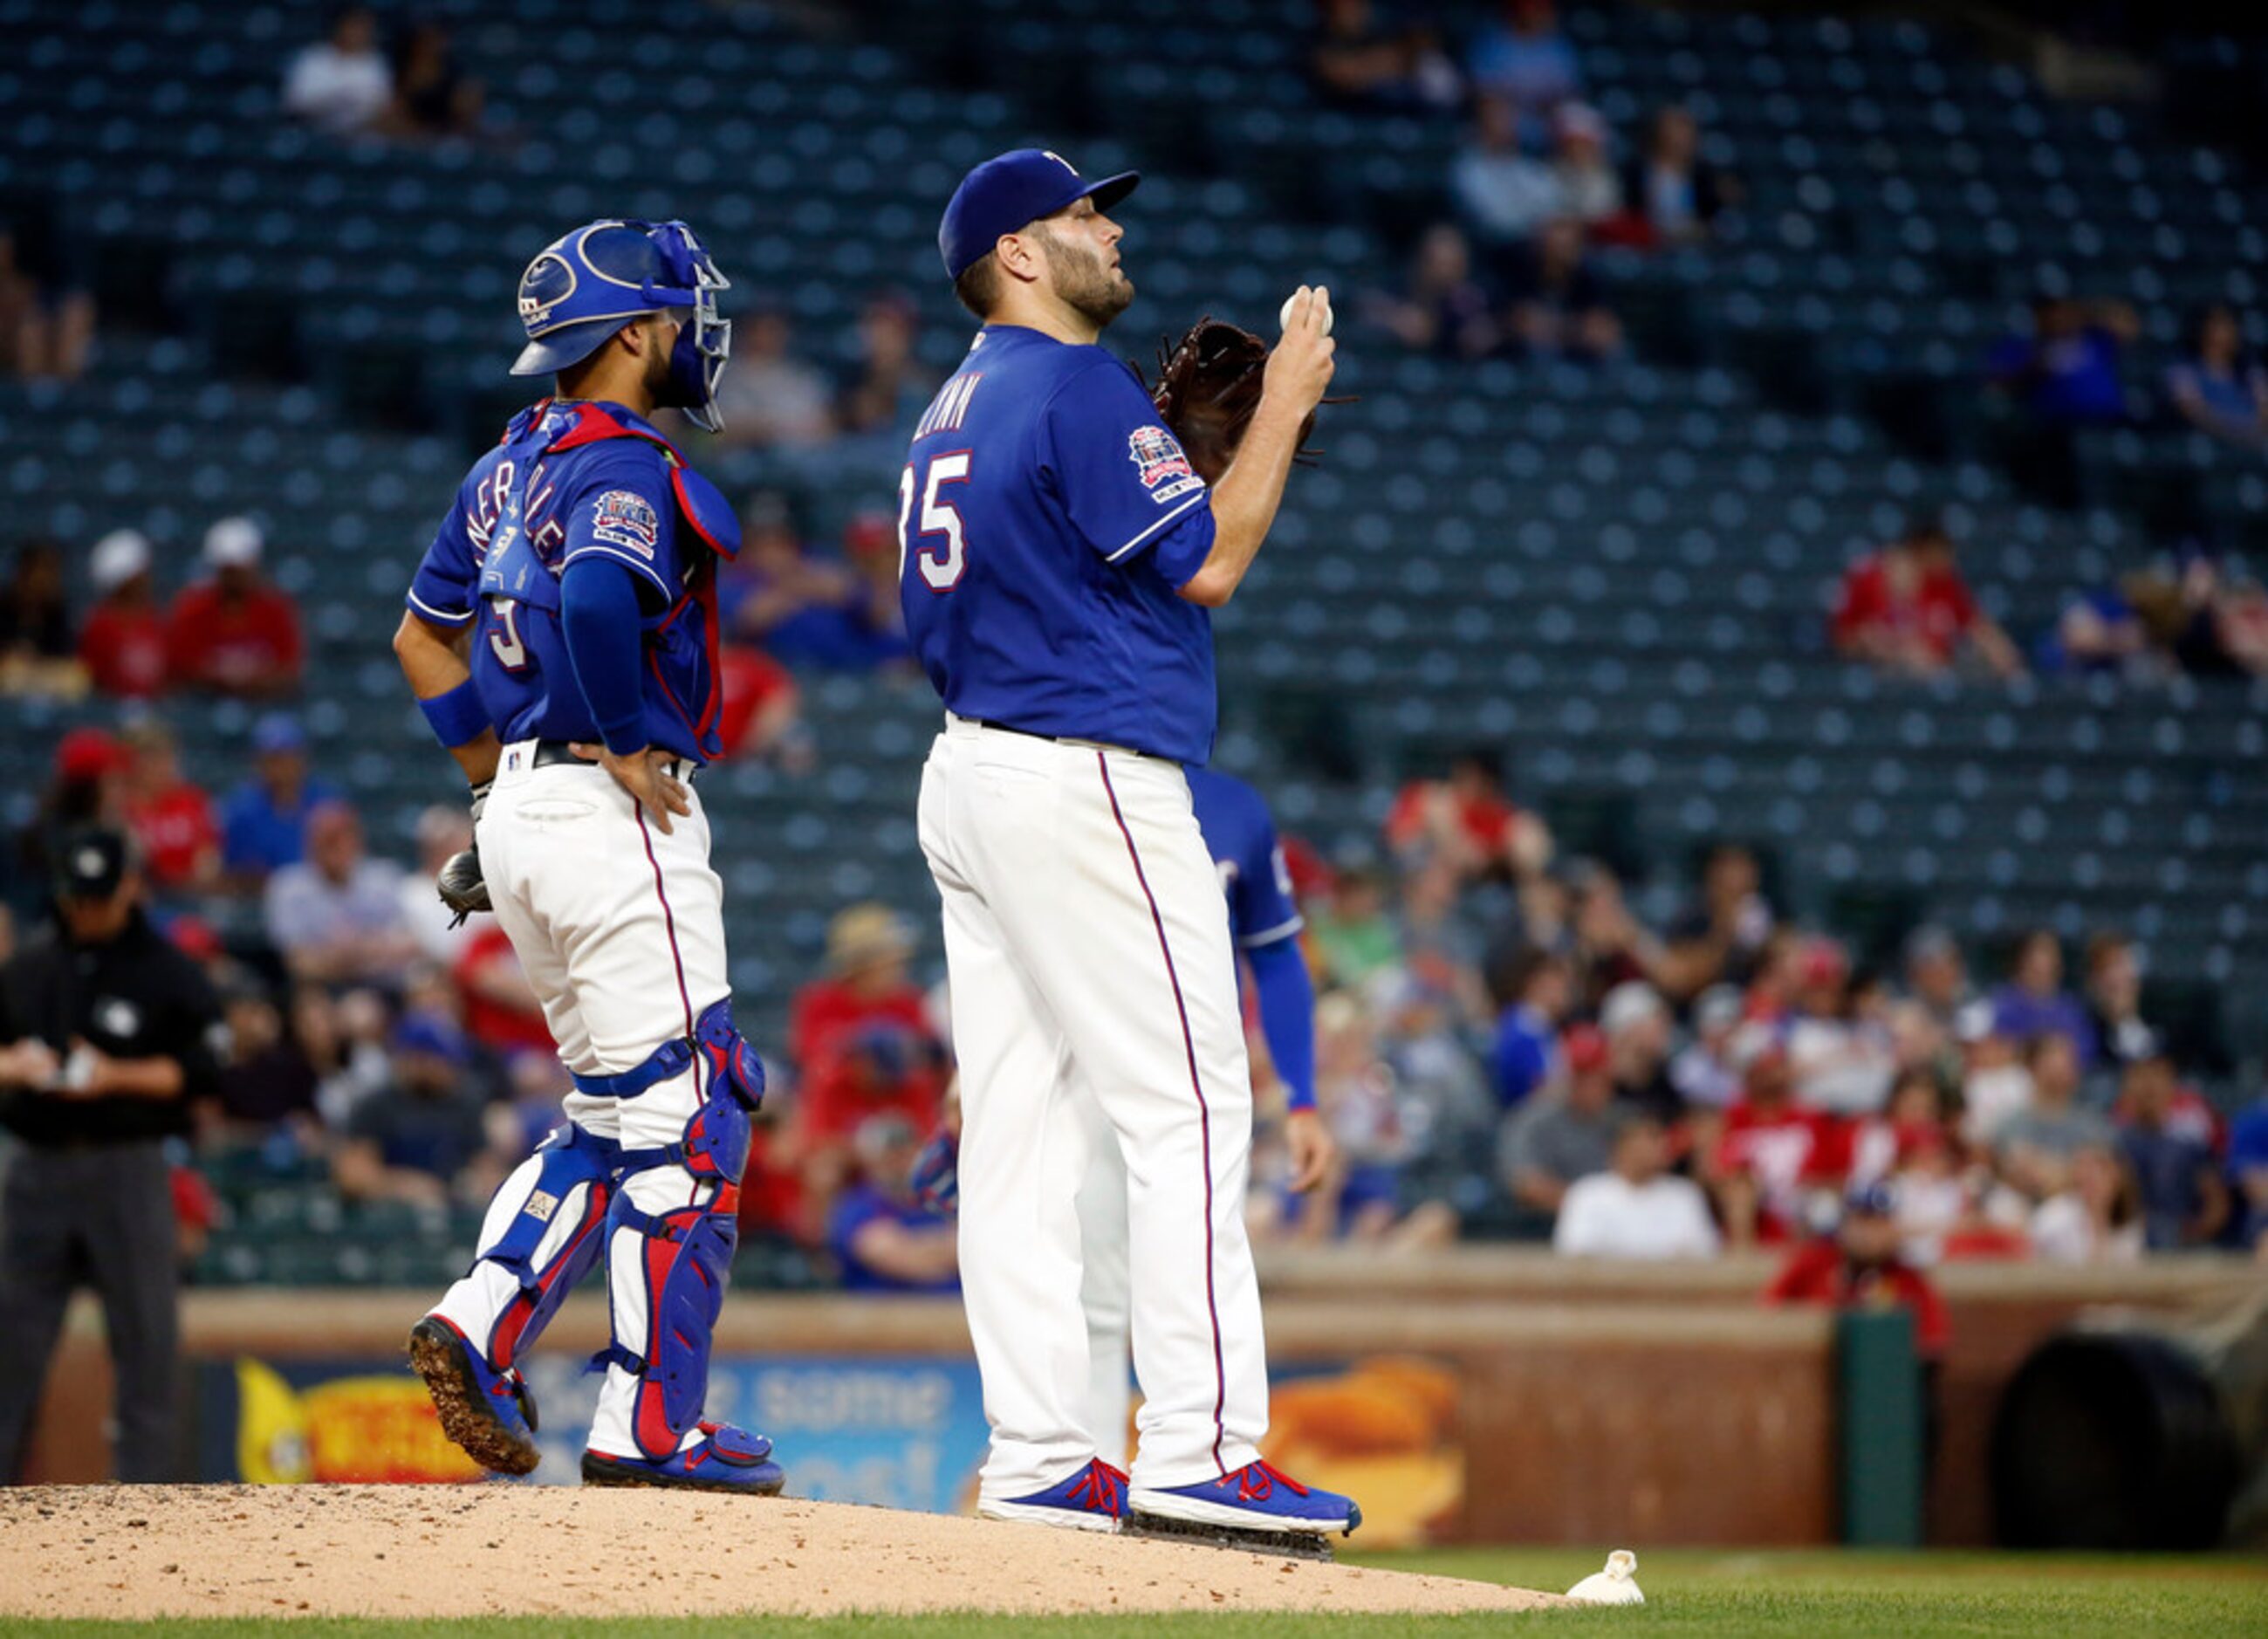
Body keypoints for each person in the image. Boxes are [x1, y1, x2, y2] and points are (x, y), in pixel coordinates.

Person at [903, 148, 1352, 1540]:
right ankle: (1199, 1447)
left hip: (974, 771)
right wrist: (1277, 401)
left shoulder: (953, 401)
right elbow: (1208, 562)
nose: (1106, 226)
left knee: (1025, 1134)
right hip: (1083, 772)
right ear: (1018, 256)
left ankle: (1041, 1450)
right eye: (1082, 212)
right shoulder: (1073, 385)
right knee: (1191, 1105)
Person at [392, 217, 783, 1495]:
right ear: (629, 335)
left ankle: (479, 1317)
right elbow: (607, 596)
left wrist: (491, 782)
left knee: (616, 1111)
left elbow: (422, 641)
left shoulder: (504, 463)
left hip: (516, 809)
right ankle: (647, 1425)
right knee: (695, 1111)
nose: (689, 333)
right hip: (609, 812)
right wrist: (618, 737)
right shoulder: (621, 459)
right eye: (673, 314)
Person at [0, 826, 223, 1481]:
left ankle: (145, 1515)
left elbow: (206, 1069)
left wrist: (115, 1076)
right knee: (10, 1346)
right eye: (78, 897)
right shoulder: (27, 969)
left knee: (147, 1344)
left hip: (127, 1164)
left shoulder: (168, 971)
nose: (88, 910)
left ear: (130, 886)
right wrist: (12, 1064)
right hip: (36, 1166)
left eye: (101, 896)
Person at [332, 1014, 506, 1206]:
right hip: (388, 1220)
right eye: (442, 1060)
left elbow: (489, 1171)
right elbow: (352, 1176)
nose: (451, 1068)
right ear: (416, 1059)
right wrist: (403, 1186)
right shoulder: (377, 1104)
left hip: (451, 1218)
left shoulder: (464, 1103)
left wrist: (475, 1186)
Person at [1830, 516, 2024, 678]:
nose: (1949, 561)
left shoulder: (1944, 583)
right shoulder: (1868, 577)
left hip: (1938, 678)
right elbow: (1844, 640)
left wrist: (2001, 652)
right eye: (1943, 553)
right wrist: (1888, 647)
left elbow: (1977, 625)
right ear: (1923, 549)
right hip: (1884, 680)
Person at [263, 800, 418, 991]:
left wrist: (353, 950)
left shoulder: (383, 877)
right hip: (318, 991)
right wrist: (362, 954)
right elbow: (298, 962)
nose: (336, 849)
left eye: (342, 838)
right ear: (311, 843)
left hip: (384, 987)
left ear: (357, 840)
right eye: (327, 841)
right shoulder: (289, 886)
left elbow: (409, 945)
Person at [165, 518, 305, 697]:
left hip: (264, 706)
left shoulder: (275, 609)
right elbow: (180, 669)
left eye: (241, 569)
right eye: (229, 570)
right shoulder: (193, 609)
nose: (236, 578)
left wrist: (245, 681)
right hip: (205, 704)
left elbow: (289, 671)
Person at [1552, 1110, 1720, 1258]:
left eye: (1660, 1137)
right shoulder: (1587, 1193)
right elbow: (1575, 1253)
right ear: (1621, 1146)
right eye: (1650, 1137)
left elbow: (1705, 1253)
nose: (1660, 1145)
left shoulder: (1685, 1194)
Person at [1497, 1023, 1620, 1222]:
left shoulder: (1616, 1121)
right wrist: (1589, 1207)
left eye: (1596, 1077)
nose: (1589, 1086)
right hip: (1540, 1227)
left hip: (1608, 1227)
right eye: (1580, 1076)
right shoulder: (1533, 1118)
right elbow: (1525, 1184)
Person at [828, 1114, 960, 1293]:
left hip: (957, 1312)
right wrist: (949, 1250)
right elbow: (900, 1259)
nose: (899, 1162)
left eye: (906, 1151)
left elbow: (978, 1250)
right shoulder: (856, 1206)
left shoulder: (940, 1198)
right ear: (869, 1161)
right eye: (889, 1155)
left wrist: (926, 1249)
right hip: (885, 1316)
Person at [2115, 1054, 2228, 1252]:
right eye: (2141, 1077)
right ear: (2128, 1087)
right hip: (2125, 1237)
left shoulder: (2190, 1144)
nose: (2150, 1086)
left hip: (2180, 1238)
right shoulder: (2114, 1142)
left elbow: (2216, 1203)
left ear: (2171, 1085)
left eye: (2158, 1077)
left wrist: (2192, 1233)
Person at [219, 712, 338, 888]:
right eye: (273, 759)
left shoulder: (326, 801)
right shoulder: (240, 809)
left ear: (301, 758)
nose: (281, 768)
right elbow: (237, 872)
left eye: (287, 757)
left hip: (320, 896)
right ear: (258, 762)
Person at [1994, 1033, 2114, 1201]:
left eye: (2069, 1062)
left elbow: (2101, 1176)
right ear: (2032, 1067)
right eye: (2053, 1061)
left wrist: (2053, 1171)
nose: (2062, 1068)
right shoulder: (2011, 1124)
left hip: (2077, 1212)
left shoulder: (2093, 1125)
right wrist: (2068, 1171)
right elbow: (2009, 1174)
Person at [1364, 222, 1501, 360]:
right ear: (1420, 261)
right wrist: (1392, 320)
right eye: (1439, 264)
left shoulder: (1475, 299)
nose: (1446, 273)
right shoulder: (1392, 288)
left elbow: (1494, 329)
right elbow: (1364, 306)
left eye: (1454, 265)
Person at [1464, 0, 1583, 150]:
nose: (1537, 15)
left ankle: (1571, 170)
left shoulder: (1559, 47)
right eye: (1532, 9)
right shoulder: (1493, 43)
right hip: (1506, 117)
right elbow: (1486, 93)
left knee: (1575, 116)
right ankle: (1496, 165)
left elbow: (1568, 93)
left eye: (1541, 10)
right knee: (1495, 113)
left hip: (1546, 118)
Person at [120, 720, 220, 896]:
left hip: (190, 896)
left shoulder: (192, 800)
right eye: (149, 758)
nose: (158, 767)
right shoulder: (123, 806)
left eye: (164, 757)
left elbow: (208, 861)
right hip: (142, 896)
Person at [711, 307, 836, 449]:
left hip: (795, 457)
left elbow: (825, 430)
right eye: (758, 331)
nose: (764, 338)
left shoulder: (804, 378)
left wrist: (765, 428)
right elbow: (717, 432)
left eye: (773, 331)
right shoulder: (722, 378)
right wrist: (768, 429)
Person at [1451, 94, 1563, 250]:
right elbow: (1495, 219)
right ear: (1480, 125)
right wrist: (1535, 221)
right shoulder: (1468, 169)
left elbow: (1553, 202)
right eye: (1496, 119)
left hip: (1537, 243)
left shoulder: (1527, 165)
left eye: (1507, 118)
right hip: (1497, 249)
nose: (1504, 126)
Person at [1308, 0, 1460, 113]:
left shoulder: (1386, 24)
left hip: (1412, 106)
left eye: (1357, 5)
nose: (1354, 11)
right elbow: (1341, 73)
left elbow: (1422, 46)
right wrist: (1392, 60)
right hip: (1355, 112)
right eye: (1345, 6)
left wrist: (1368, 65)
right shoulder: (1320, 39)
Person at [1502, 218, 1621, 361]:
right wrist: (1573, 328)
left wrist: (1559, 328)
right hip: (1524, 351)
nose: (1563, 251)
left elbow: (1602, 326)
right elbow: (1522, 322)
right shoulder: (1519, 268)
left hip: (1576, 350)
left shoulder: (1588, 275)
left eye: (1570, 245)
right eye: (1556, 245)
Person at [1621, 105, 1735, 249]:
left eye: (1685, 131)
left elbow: (1711, 214)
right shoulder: (1637, 170)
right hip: (1647, 241)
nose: (1680, 138)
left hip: (1693, 242)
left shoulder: (1703, 174)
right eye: (1674, 129)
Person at [77, 529, 169, 699]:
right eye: (139, 574)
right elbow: (94, 679)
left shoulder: (157, 620)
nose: (145, 579)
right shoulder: (100, 625)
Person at [2164, 303, 2267, 450]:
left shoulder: (2250, 371)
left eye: (2231, 325)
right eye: (2220, 325)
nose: (2230, 331)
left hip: (2252, 443)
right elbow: (2193, 412)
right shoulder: (2183, 369)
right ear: (2203, 329)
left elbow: (2265, 412)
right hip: (2212, 444)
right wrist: (2236, 433)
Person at [1990, 929, 2095, 1071]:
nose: (2043, 967)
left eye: (2049, 959)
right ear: (2021, 963)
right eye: (2035, 963)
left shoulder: (2071, 1009)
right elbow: (1998, 1049)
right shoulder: (2003, 1005)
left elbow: (2085, 1051)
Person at [281, 4, 393, 136]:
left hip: (361, 134)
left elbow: (382, 106)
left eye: (364, 28)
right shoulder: (313, 57)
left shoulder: (376, 62)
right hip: (313, 131)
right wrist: (336, 101)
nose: (358, 33)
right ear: (339, 27)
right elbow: (295, 103)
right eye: (353, 27)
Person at [2030, 1143, 2145, 1265]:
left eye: (2101, 1174)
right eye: (2086, 1176)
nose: (2093, 1182)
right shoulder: (2053, 1216)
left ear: (2117, 1179)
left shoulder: (2129, 1224)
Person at [1488, 944, 1569, 1108]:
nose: (1566, 990)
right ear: (1536, 983)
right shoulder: (1519, 1031)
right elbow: (1531, 1093)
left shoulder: (1544, 1028)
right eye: (1559, 981)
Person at [0, 538, 80, 697]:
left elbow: (68, 664)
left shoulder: (58, 614)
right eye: (41, 571)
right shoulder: (4, 608)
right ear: (24, 572)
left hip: (40, 679)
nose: (46, 580)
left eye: (52, 572)